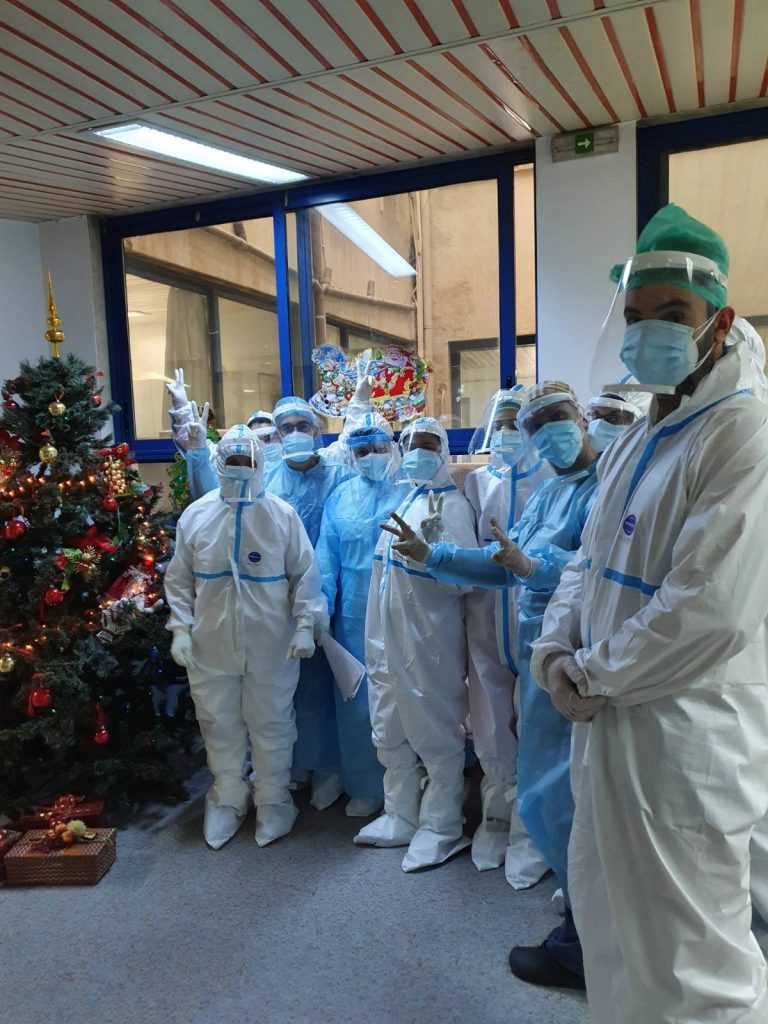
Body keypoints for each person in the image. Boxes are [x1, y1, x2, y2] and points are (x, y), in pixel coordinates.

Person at [532, 204, 768, 1023]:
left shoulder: (742, 432)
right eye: (636, 317)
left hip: (683, 731)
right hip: (609, 718)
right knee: (611, 923)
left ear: (720, 322)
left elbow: (711, 610)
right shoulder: (641, 431)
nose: (649, 334)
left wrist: (591, 673)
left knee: (692, 960)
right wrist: (555, 648)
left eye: (673, 313)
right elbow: (587, 560)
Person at [385, 383, 598, 986]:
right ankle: (585, 913)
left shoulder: (607, 489)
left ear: (582, 418)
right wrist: (435, 554)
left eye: (558, 416)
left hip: (578, 658)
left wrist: (538, 568)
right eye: (537, 425)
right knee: (545, 788)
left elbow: (599, 570)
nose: (549, 432)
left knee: (568, 794)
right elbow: (505, 562)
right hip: (539, 654)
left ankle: (585, 941)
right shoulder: (551, 492)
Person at [164, 424, 327, 849]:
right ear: (220, 464)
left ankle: (274, 800)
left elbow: (305, 574)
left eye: (246, 461)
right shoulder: (197, 515)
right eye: (232, 461)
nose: (239, 468)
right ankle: (228, 798)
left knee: (272, 722)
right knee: (218, 722)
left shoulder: (281, 515)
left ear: (259, 465)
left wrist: (306, 625)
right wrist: (181, 628)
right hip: (210, 641)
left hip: (272, 641)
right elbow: (178, 578)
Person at [355, 416, 477, 871]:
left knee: (434, 729)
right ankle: (401, 814)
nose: (419, 453)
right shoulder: (407, 498)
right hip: (387, 639)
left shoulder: (453, 507)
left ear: (443, 452)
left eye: (429, 444)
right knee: (389, 725)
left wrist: (438, 549)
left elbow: (464, 582)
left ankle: (442, 826)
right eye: (412, 445)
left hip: (429, 641)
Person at [463, 388, 551, 886]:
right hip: (485, 619)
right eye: (499, 424)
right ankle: (496, 819)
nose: (505, 433)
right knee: (491, 723)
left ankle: (531, 831)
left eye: (516, 424)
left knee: (539, 726)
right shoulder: (479, 482)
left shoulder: (552, 480)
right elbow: (470, 548)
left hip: (535, 621)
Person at [316, 413, 410, 817]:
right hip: (353, 618)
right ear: (351, 455)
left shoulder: (410, 491)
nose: (371, 456)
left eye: (378, 448)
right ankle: (366, 785)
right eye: (362, 450)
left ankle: (410, 789)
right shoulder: (339, 498)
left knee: (409, 699)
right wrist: (320, 605)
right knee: (357, 705)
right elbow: (326, 558)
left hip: (405, 614)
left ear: (392, 447)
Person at [268, 395, 355, 812]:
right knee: (291, 683)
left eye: (304, 426)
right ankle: (299, 761)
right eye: (287, 428)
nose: (296, 434)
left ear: (318, 431)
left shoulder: (338, 475)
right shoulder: (269, 479)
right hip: (281, 595)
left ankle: (332, 766)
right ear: (277, 435)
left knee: (330, 680)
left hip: (335, 590)